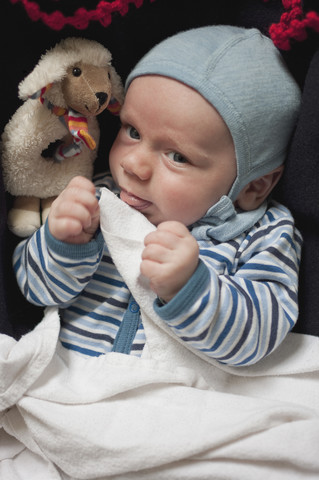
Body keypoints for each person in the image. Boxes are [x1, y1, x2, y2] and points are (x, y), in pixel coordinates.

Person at [13, 25, 302, 366]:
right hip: (73, 385)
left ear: (254, 186)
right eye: (132, 131)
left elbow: (258, 339)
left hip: (178, 403)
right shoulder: (99, 199)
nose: (134, 165)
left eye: (177, 157)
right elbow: (35, 291)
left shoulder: (265, 234)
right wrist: (62, 242)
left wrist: (190, 286)